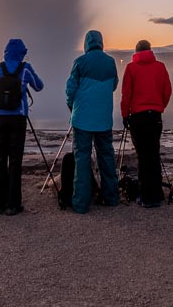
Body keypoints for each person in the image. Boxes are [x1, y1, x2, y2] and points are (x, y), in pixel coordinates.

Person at [0, 38, 45, 215]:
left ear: (5, 52)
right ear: (21, 53)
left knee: (0, 158)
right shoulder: (25, 68)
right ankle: (13, 204)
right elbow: (39, 86)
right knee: (15, 160)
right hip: (18, 118)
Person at [65, 30, 119, 214]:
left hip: (82, 120)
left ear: (86, 44)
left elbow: (70, 89)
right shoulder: (111, 62)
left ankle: (81, 203)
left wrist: (72, 107)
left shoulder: (79, 62)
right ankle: (111, 197)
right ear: (101, 43)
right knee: (106, 157)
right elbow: (113, 85)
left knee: (82, 159)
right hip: (104, 119)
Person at [120, 39, 172, 208]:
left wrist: (124, 115)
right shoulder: (160, 67)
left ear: (136, 51)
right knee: (154, 153)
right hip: (154, 116)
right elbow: (167, 90)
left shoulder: (131, 68)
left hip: (137, 116)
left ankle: (145, 195)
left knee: (143, 155)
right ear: (150, 50)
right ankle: (156, 193)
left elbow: (126, 94)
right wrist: (160, 106)